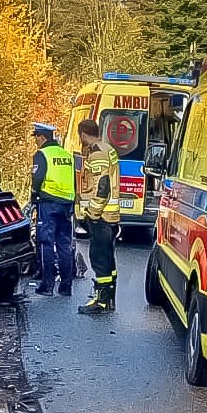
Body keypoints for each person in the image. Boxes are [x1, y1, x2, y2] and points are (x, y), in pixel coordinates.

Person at [74, 119, 120, 314]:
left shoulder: (97, 153)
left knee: (99, 258)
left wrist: (92, 214)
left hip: (100, 217)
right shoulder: (107, 148)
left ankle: (101, 302)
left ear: (84, 134)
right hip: (109, 216)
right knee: (108, 259)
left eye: (80, 136)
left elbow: (102, 187)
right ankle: (109, 299)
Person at [29, 123, 76, 297]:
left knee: (46, 242)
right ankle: (66, 286)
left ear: (42, 137)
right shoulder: (67, 155)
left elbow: (37, 178)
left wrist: (34, 197)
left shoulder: (42, 154)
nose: (35, 142)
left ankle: (47, 285)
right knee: (64, 244)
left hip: (48, 203)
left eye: (36, 138)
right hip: (66, 204)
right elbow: (74, 180)